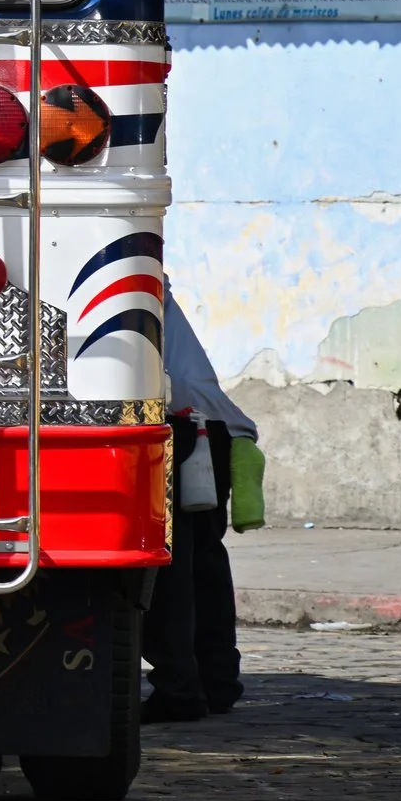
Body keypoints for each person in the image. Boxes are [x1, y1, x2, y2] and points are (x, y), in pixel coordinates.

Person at [141, 287, 259, 722]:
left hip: (179, 429)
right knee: (202, 568)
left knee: (173, 570)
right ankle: (216, 682)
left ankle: (180, 689)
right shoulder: (151, 281)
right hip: (214, 429)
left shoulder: (140, 282)